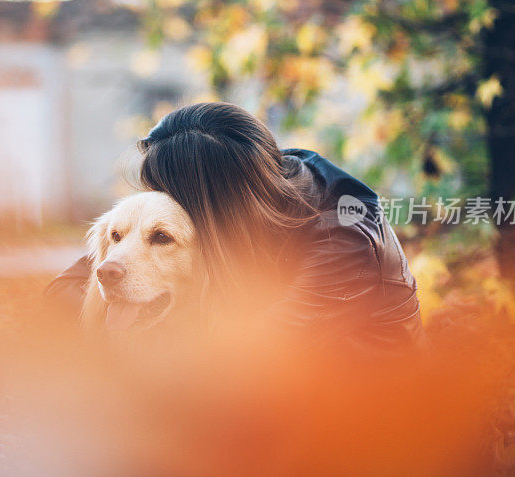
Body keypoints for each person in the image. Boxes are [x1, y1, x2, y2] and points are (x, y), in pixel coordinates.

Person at [46, 102, 426, 355]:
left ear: (213, 202)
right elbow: (64, 292)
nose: (164, 204)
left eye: (171, 195)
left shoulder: (341, 241)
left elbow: (250, 364)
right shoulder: (252, 182)